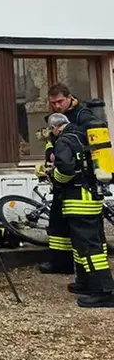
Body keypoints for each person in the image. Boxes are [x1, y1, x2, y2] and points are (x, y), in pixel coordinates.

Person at [48, 112, 114, 308]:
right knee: (84, 245)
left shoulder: (64, 140)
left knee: (88, 248)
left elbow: (66, 169)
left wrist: (55, 180)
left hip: (78, 200)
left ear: (55, 128)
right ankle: (85, 283)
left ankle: (105, 291)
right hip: (92, 197)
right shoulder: (83, 135)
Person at [40, 83, 95, 275]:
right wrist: (51, 155)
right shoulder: (55, 119)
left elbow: (89, 143)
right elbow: (49, 140)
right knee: (57, 221)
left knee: (81, 229)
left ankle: (88, 272)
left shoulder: (83, 116)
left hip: (77, 178)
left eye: (60, 101)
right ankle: (60, 263)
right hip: (61, 173)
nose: (56, 106)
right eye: (53, 103)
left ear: (70, 98)